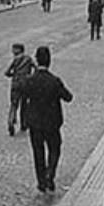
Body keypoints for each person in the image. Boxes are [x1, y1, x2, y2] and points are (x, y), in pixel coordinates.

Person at [21, 46, 73, 192]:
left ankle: (41, 181)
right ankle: (50, 173)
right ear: (49, 60)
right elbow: (68, 97)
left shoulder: (30, 80)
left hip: (35, 123)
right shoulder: (54, 81)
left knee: (38, 152)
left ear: (37, 60)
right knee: (54, 149)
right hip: (52, 123)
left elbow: (23, 95)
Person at [4, 43, 35, 136]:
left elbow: (6, 72)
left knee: (14, 104)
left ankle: (11, 121)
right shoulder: (28, 59)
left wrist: (14, 75)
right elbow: (36, 68)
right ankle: (24, 124)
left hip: (16, 83)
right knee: (24, 104)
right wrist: (30, 76)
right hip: (25, 83)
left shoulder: (15, 60)